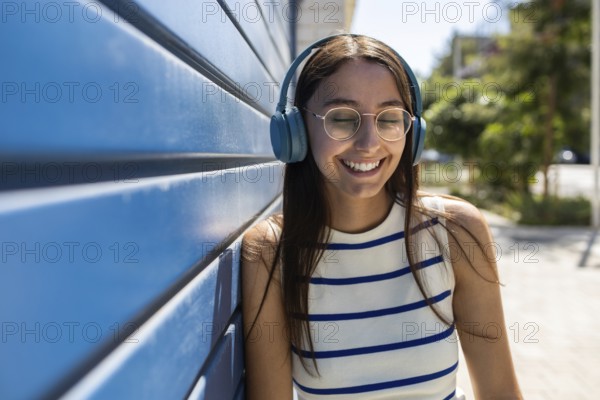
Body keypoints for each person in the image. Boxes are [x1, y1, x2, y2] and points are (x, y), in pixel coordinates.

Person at [241, 34, 522, 400]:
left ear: (413, 132)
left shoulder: (455, 231)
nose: (369, 143)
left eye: (390, 119)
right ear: (295, 130)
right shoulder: (270, 253)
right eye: (342, 118)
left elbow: (500, 393)